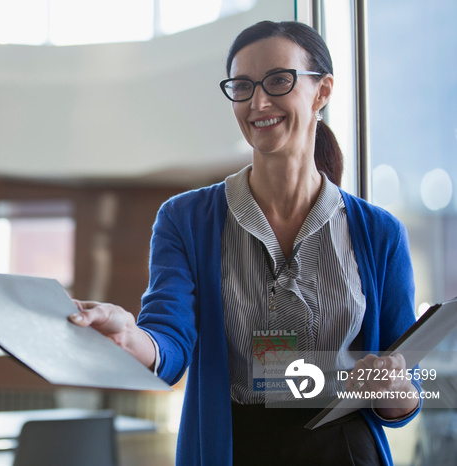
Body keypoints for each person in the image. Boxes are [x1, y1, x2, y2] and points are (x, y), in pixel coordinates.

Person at [70, 20, 421, 465]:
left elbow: (404, 384)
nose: (258, 102)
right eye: (243, 85)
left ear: (322, 92)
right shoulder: (185, 219)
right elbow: (170, 338)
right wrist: (130, 338)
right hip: (233, 448)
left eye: (278, 80)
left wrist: (397, 389)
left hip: (346, 450)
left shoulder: (379, 233)